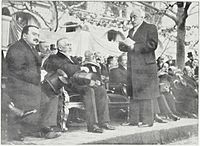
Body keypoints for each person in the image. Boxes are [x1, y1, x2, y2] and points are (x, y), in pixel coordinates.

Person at [43, 37, 115, 133]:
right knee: (88, 90)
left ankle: (104, 122)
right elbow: (65, 68)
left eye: (70, 45)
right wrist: (79, 67)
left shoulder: (72, 58)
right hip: (66, 85)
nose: (70, 47)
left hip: (78, 83)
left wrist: (91, 81)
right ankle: (92, 124)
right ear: (60, 48)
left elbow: (81, 73)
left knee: (100, 89)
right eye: (67, 45)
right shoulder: (54, 57)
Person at [5, 25, 61, 141]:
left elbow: (35, 66)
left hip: (30, 82)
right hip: (17, 84)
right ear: (25, 35)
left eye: (38, 35)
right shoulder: (17, 48)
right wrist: (38, 77)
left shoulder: (31, 48)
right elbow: (17, 70)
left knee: (52, 95)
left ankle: (44, 127)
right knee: (39, 95)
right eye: (34, 34)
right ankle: (36, 129)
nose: (37, 37)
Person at [119, 7, 160, 127]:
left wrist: (133, 47)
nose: (132, 19)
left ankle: (148, 121)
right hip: (133, 67)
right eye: (131, 17)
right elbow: (127, 46)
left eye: (134, 17)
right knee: (133, 94)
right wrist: (122, 45)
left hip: (146, 68)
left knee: (147, 94)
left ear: (142, 17)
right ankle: (133, 120)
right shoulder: (131, 31)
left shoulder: (150, 27)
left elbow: (152, 45)